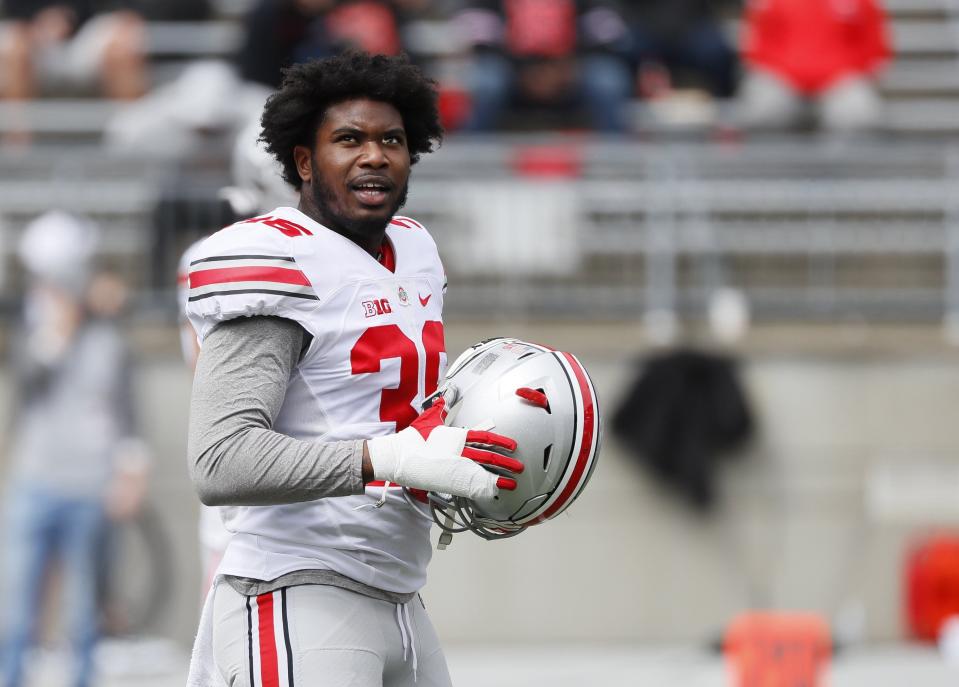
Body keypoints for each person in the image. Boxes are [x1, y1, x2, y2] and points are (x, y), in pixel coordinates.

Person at [184, 52, 523, 687]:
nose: (374, 155)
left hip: (400, 591)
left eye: (390, 139)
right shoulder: (275, 258)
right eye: (348, 139)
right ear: (303, 162)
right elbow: (220, 459)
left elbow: (387, 406)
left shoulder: (415, 246)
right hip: (296, 586)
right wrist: (388, 460)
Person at [1, 211, 150, 687]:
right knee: (17, 600)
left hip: (91, 485)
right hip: (37, 482)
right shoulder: (34, 337)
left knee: (82, 606)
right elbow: (28, 388)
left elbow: (128, 414)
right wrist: (55, 336)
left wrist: (131, 475)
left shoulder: (111, 340)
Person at [454, 0, 633, 132]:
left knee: (607, 81)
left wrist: (566, 67)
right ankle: (473, 164)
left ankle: (616, 168)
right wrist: (523, 69)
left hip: (572, 71)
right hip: (512, 73)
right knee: (487, 82)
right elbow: (479, 36)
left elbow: (607, 32)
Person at [738, 0, 891, 132]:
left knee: (856, 111)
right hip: (782, 80)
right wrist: (786, 73)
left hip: (839, 82)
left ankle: (841, 163)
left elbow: (873, 49)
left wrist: (843, 74)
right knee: (765, 106)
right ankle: (771, 164)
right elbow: (756, 48)